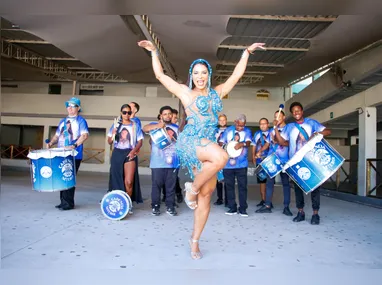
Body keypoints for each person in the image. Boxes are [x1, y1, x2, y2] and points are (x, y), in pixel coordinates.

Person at [138, 39, 265, 259]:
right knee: (222, 157)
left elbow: (236, 76)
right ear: (191, 75)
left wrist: (245, 52)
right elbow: (161, 76)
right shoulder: (186, 93)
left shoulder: (217, 92)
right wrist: (153, 52)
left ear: (208, 74)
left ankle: (194, 241)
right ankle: (191, 188)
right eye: (196, 73)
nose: (199, 76)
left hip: (208, 143)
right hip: (192, 141)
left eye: (203, 72)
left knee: (206, 197)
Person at [274, 102, 331, 225]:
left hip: (311, 161)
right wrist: (276, 129)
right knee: (298, 189)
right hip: (295, 162)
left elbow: (327, 131)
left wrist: (318, 133)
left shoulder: (311, 123)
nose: (296, 113)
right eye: (294, 111)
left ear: (302, 111)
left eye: (298, 110)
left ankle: (315, 214)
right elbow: (282, 142)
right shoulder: (289, 127)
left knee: (314, 188)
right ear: (292, 113)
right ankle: (301, 212)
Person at [47, 97, 89, 211]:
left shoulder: (81, 121)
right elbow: (57, 136)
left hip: (74, 154)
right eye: (68, 106)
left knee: (68, 177)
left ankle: (68, 203)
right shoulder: (62, 121)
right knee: (62, 177)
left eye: (72, 106)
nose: (69, 108)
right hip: (61, 153)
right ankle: (63, 201)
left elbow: (84, 135)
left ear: (78, 108)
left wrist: (74, 145)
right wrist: (51, 143)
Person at [143, 106, 180, 216]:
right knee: (156, 185)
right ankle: (155, 206)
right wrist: (158, 126)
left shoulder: (176, 127)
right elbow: (144, 128)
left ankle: (170, 206)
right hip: (157, 162)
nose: (168, 116)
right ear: (160, 115)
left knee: (171, 186)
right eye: (165, 114)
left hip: (172, 162)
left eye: (169, 114)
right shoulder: (154, 125)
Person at [107, 104, 144, 213]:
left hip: (129, 152)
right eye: (124, 112)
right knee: (116, 179)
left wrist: (134, 151)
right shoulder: (115, 125)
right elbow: (109, 142)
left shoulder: (135, 125)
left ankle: (128, 204)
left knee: (128, 181)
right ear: (121, 113)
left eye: (128, 112)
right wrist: (113, 134)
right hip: (117, 153)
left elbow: (140, 141)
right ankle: (119, 203)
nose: (126, 114)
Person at [255, 110, 293, 216]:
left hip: (284, 160)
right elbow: (268, 143)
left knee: (285, 184)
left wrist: (276, 130)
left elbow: (285, 143)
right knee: (269, 183)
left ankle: (286, 207)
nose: (277, 119)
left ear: (284, 117)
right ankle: (267, 205)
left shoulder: (289, 129)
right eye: (275, 117)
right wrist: (260, 151)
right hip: (272, 159)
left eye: (279, 116)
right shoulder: (271, 130)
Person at [219, 114, 252, 217]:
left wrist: (241, 144)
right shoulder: (228, 131)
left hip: (241, 164)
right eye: (239, 126)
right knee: (229, 186)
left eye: (242, 126)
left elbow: (248, 142)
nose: (241, 128)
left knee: (242, 187)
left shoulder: (247, 131)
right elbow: (220, 143)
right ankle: (232, 208)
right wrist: (227, 146)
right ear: (235, 122)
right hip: (228, 164)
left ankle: (243, 209)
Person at [252, 118, 270, 207]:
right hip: (260, 160)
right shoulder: (257, 134)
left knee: (269, 182)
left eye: (264, 123)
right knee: (262, 181)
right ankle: (263, 200)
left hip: (270, 161)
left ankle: (269, 201)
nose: (262, 125)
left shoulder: (272, 133)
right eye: (261, 124)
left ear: (268, 124)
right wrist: (253, 156)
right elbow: (254, 145)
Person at [214, 114, 228, 206]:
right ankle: (220, 198)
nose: (222, 122)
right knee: (218, 179)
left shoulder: (230, 131)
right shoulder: (215, 131)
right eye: (220, 120)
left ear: (226, 120)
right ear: (218, 121)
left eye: (224, 120)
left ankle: (227, 199)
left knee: (227, 179)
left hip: (227, 157)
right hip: (217, 157)